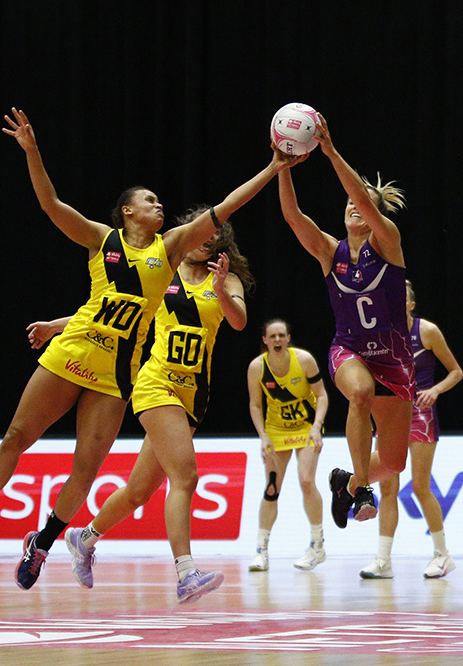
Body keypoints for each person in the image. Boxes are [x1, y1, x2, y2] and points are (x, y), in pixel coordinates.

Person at [0, 107, 295, 597]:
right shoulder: (99, 239)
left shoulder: (170, 250)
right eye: (150, 201)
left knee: (86, 469)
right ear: (128, 211)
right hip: (75, 349)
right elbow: (50, 204)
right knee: (18, 434)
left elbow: (226, 207)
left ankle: (42, 544)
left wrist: (274, 167)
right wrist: (32, 151)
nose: (159, 206)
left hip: (117, 374)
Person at [30, 208, 258, 602]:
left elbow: (238, 322)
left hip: (194, 392)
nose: (207, 238)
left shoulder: (227, 278)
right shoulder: (162, 270)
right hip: (157, 383)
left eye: (214, 234)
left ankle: (84, 538)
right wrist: (57, 326)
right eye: (201, 231)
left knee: (139, 491)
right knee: (185, 476)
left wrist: (221, 289)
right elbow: (111, 307)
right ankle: (186, 574)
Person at [277, 113, 415, 531]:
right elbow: (292, 216)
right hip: (349, 349)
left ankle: (348, 482)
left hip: (395, 359)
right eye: (348, 204)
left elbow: (358, 191)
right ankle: (364, 492)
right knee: (359, 393)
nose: (354, 205)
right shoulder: (328, 251)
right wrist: (282, 170)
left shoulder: (387, 240)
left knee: (393, 462)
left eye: (362, 202)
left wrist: (330, 151)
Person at [360, 280, 463, 579]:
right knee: (387, 487)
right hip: (390, 414)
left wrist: (436, 390)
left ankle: (443, 555)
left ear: (411, 304)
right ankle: (383, 560)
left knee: (420, 485)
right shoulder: (379, 336)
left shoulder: (427, 331)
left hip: (420, 414)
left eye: (400, 298)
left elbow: (456, 372)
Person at [246, 319, 329, 572]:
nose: (278, 340)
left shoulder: (304, 360)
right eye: (273, 336)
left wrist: (317, 426)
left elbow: (322, 395)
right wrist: (263, 436)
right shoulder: (257, 367)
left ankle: (317, 546)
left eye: (282, 335)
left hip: (305, 427)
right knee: (272, 489)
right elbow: (256, 405)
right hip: (276, 430)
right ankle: (261, 551)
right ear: (265, 340)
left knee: (306, 480)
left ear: (288, 338)